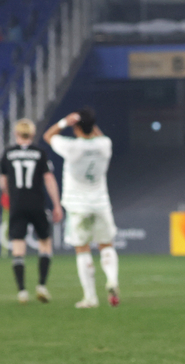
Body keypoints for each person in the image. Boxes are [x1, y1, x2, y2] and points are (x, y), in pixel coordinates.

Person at [43, 107, 120, 309]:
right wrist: (89, 122)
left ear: (76, 127)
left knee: (82, 248)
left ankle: (90, 297)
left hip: (78, 205)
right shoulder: (105, 144)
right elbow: (97, 134)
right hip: (101, 203)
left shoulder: (71, 147)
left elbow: (48, 135)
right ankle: (112, 279)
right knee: (106, 244)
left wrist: (64, 122)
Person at [0, 118, 63, 304]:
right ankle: (42, 285)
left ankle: (22, 291)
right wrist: (57, 204)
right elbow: (49, 179)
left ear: (16, 133)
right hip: (37, 204)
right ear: (33, 134)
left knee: (18, 247)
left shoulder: (8, 153)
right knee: (45, 243)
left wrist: (10, 195)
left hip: (17, 204)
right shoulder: (40, 153)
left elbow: (3, 183)